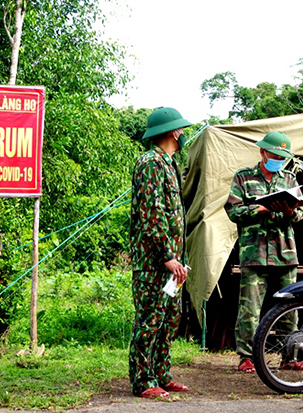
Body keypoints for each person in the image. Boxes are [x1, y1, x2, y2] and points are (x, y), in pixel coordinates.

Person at [224, 131, 303, 374]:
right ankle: (246, 358)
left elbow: (301, 214)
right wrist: (258, 210)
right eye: (275, 155)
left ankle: (289, 357)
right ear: (262, 152)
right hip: (254, 255)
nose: (279, 160)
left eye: (283, 157)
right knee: (250, 309)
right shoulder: (243, 177)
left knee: (289, 310)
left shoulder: (290, 179)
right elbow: (232, 211)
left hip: (285, 254)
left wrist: (291, 212)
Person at [128, 107, 192, 399]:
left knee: (169, 319)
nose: (182, 133)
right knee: (150, 320)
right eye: (178, 129)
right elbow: (152, 214)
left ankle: (161, 374)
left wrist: (177, 259)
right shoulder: (150, 163)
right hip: (156, 263)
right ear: (170, 132)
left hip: (173, 263)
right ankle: (143, 380)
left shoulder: (169, 164)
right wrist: (167, 256)